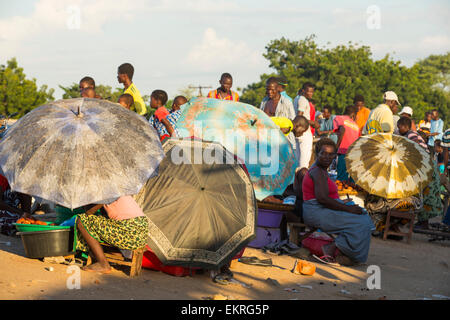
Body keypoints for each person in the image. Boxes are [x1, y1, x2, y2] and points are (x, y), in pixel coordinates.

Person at [302, 138, 374, 266]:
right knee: (360, 222)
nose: (326, 157)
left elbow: (326, 197)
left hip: (323, 209)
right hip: (316, 212)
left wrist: (343, 203)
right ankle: (336, 248)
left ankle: (341, 250)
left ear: (335, 156)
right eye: (323, 153)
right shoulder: (317, 171)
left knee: (363, 215)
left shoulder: (322, 170)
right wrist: (348, 209)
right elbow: (322, 199)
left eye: (331, 154)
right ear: (317, 153)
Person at [75, 196, 149, 273]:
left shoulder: (107, 193)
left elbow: (89, 212)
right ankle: (116, 254)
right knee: (101, 222)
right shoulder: (119, 190)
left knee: (82, 220)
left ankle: (103, 264)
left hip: (129, 230)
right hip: (140, 233)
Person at [397, 117, 443, 230]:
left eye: (400, 127)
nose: (398, 129)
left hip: (426, 168)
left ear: (406, 127)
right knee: (423, 195)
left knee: (425, 196)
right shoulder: (410, 135)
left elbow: (416, 153)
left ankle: (423, 223)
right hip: (424, 167)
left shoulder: (411, 136)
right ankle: (420, 222)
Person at [260, 77, 296, 149]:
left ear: (278, 89)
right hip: (268, 142)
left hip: (285, 142)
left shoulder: (286, 102)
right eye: (268, 89)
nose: (269, 92)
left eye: (272, 90)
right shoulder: (264, 101)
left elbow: (294, 121)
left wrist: (286, 129)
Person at [334, 105, 360, 183]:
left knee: (342, 179)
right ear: (353, 114)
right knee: (353, 179)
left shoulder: (339, 118)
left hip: (343, 152)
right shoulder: (356, 126)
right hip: (354, 153)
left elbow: (342, 129)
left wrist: (336, 147)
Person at [293, 82, 317, 169]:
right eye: (309, 92)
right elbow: (300, 117)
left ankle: (297, 181)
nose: (311, 94)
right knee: (304, 163)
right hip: (304, 131)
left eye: (312, 92)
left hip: (298, 133)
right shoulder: (303, 100)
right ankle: (302, 181)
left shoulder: (296, 98)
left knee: (298, 161)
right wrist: (313, 123)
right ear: (303, 91)